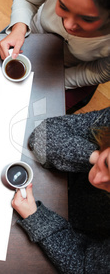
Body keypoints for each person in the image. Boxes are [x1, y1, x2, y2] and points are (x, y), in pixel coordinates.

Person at [11, 107, 110, 273]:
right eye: (107, 164)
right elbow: (43, 136)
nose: (97, 180)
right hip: (60, 187)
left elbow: (84, 268)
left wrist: (37, 219)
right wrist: (94, 157)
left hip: (79, 235)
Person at [0, 0, 110, 111]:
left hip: (75, 71)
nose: (68, 25)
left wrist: (57, 81)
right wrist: (19, 28)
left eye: (87, 19)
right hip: (29, 35)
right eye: (63, 6)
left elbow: (101, 71)